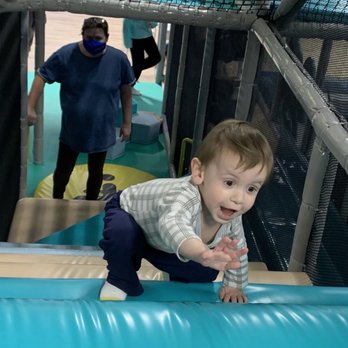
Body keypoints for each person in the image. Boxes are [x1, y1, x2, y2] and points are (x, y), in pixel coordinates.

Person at [99, 119, 274, 303]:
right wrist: (202, 253)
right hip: (131, 214)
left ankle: (178, 275)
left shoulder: (231, 214)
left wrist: (233, 285)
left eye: (251, 189)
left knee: (207, 270)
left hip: (159, 240)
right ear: (199, 172)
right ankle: (120, 280)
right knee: (122, 234)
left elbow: (237, 251)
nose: (239, 198)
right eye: (229, 183)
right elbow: (173, 224)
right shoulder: (185, 196)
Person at [27, 17, 135, 200]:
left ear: (107, 37)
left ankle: (91, 206)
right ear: (82, 35)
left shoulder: (118, 60)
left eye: (98, 38)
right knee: (62, 172)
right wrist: (30, 106)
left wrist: (126, 122)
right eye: (89, 37)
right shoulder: (66, 55)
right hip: (72, 130)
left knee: (96, 173)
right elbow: (41, 76)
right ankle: (56, 201)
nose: (93, 41)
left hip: (101, 130)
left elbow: (126, 91)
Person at [123, 18, 161, 95]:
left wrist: (150, 21)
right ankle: (130, 85)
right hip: (135, 40)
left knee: (156, 58)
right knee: (138, 64)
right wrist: (128, 43)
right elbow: (126, 27)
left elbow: (153, 24)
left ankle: (131, 73)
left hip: (148, 38)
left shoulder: (146, 12)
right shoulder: (129, 17)